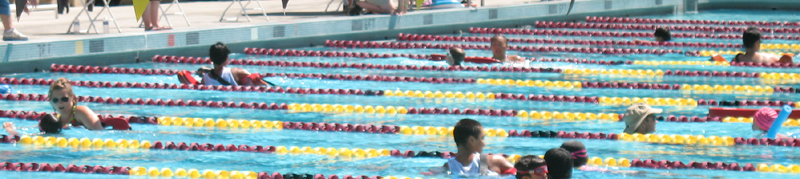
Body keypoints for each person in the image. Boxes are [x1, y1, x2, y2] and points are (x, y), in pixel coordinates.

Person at [443, 118, 516, 176]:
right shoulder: (493, 161)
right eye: (482, 138)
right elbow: (522, 173)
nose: (484, 143)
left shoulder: (448, 167)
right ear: (472, 140)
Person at [200, 42, 272, 86]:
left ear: (211, 59)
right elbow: (260, 83)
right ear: (227, 58)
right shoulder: (238, 72)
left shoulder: (205, 79)